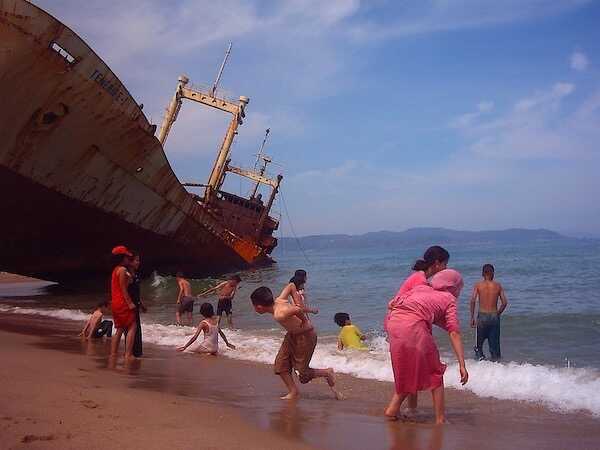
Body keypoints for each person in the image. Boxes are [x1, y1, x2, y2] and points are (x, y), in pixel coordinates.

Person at [384, 269, 469, 424]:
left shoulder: (420, 288)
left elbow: (393, 303)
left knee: (409, 370)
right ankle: (440, 419)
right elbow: (453, 332)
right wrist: (462, 364)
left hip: (393, 323)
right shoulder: (449, 298)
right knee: (436, 372)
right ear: (453, 287)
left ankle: (394, 409)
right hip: (412, 327)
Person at [384, 245, 451, 415]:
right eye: (446, 264)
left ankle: (411, 409)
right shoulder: (421, 281)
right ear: (437, 264)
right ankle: (393, 410)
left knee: (411, 367)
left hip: (397, 324)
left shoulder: (419, 277)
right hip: (406, 325)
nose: (446, 269)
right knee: (417, 368)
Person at [250, 286, 342, 400]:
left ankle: (327, 372)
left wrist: (304, 320)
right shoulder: (279, 300)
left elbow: (297, 310)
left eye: (253, 305)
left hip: (306, 336)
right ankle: (294, 391)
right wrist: (298, 302)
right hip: (292, 335)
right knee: (280, 365)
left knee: (303, 375)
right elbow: (291, 286)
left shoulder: (280, 314)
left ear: (259, 307)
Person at [470, 264, 508, 361]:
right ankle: (496, 367)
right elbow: (504, 302)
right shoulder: (497, 285)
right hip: (494, 316)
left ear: (483, 273)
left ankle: (481, 366)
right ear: (493, 273)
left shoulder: (478, 285)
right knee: (494, 346)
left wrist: (472, 317)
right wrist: (498, 313)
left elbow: (473, 300)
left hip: (482, 316)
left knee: (479, 345)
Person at [109, 245, 137, 360]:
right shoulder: (123, 270)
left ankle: (113, 354)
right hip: (122, 302)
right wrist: (130, 302)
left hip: (115, 302)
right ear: (122, 257)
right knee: (132, 326)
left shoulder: (116, 270)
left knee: (119, 329)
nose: (128, 259)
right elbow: (123, 288)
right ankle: (128, 354)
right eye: (126, 256)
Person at [127, 251, 147, 357]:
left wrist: (141, 304)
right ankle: (129, 354)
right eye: (136, 260)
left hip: (135, 305)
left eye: (139, 260)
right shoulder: (128, 275)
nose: (138, 262)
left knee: (137, 329)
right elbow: (124, 291)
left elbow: (136, 292)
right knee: (131, 329)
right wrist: (129, 303)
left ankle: (136, 353)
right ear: (130, 262)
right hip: (129, 306)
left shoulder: (135, 275)